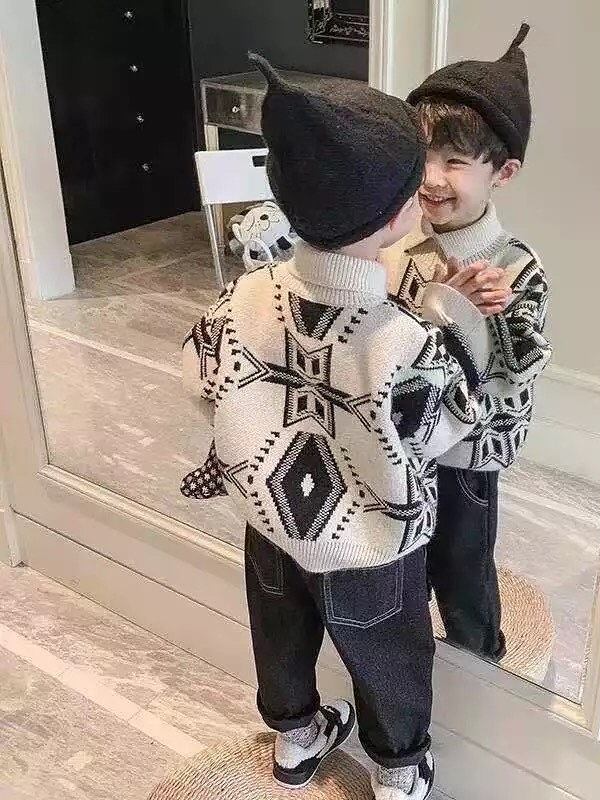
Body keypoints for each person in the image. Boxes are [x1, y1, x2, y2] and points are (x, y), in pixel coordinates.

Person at [181, 52, 511, 800]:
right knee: (388, 654)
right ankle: (398, 768)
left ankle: (296, 738)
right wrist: (450, 321)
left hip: (270, 524)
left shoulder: (241, 298)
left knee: (280, 637)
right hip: (373, 546)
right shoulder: (404, 340)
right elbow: (449, 430)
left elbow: (200, 381)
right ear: (396, 217)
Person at [383, 23, 553, 662]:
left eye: (454, 161)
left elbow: (515, 372)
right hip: (403, 439)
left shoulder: (514, 267)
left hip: (468, 450)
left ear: (502, 172)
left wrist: (484, 318)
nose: (431, 178)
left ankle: (480, 654)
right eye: (423, 156)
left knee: (464, 558)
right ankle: (408, 651)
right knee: (403, 548)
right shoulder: (397, 244)